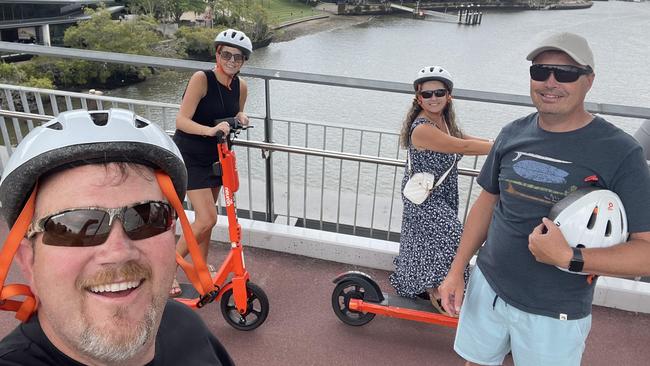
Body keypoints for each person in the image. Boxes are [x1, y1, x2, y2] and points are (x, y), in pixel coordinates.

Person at [439, 32, 650, 365]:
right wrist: (457, 270)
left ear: (589, 81)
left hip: (556, 310)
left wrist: (570, 257)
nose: (550, 82)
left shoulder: (621, 152)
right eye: (540, 72)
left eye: (565, 73)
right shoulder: (511, 134)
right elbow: (487, 203)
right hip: (489, 286)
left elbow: (645, 252)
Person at [0, 109, 234, 365]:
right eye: (76, 226)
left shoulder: (185, 326)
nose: (119, 252)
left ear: (172, 234)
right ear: (28, 261)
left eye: (148, 217)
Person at [389, 65, 493, 316]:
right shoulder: (423, 128)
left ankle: (430, 287)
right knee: (458, 240)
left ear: (449, 96)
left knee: (428, 244)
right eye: (427, 94)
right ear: (418, 97)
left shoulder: (444, 121)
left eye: (439, 92)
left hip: (440, 192)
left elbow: (464, 137)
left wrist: (496, 143)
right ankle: (440, 292)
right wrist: (501, 148)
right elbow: (464, 146)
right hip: (425, 198)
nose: (433, 98)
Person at [170, 28, 252, 297]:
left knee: (204, 220)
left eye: (238, 57)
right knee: (207, 218)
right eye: (226, 54)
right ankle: (167, 269)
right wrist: (209, 130)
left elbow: (233, 111)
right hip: (191, 155)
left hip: (217, 157)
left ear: (243, 61)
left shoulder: (241, 86)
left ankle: (201, 266)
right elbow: (181, 121)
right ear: (217, 53)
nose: (231, 60)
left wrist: (240, 116)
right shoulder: (201, 79)